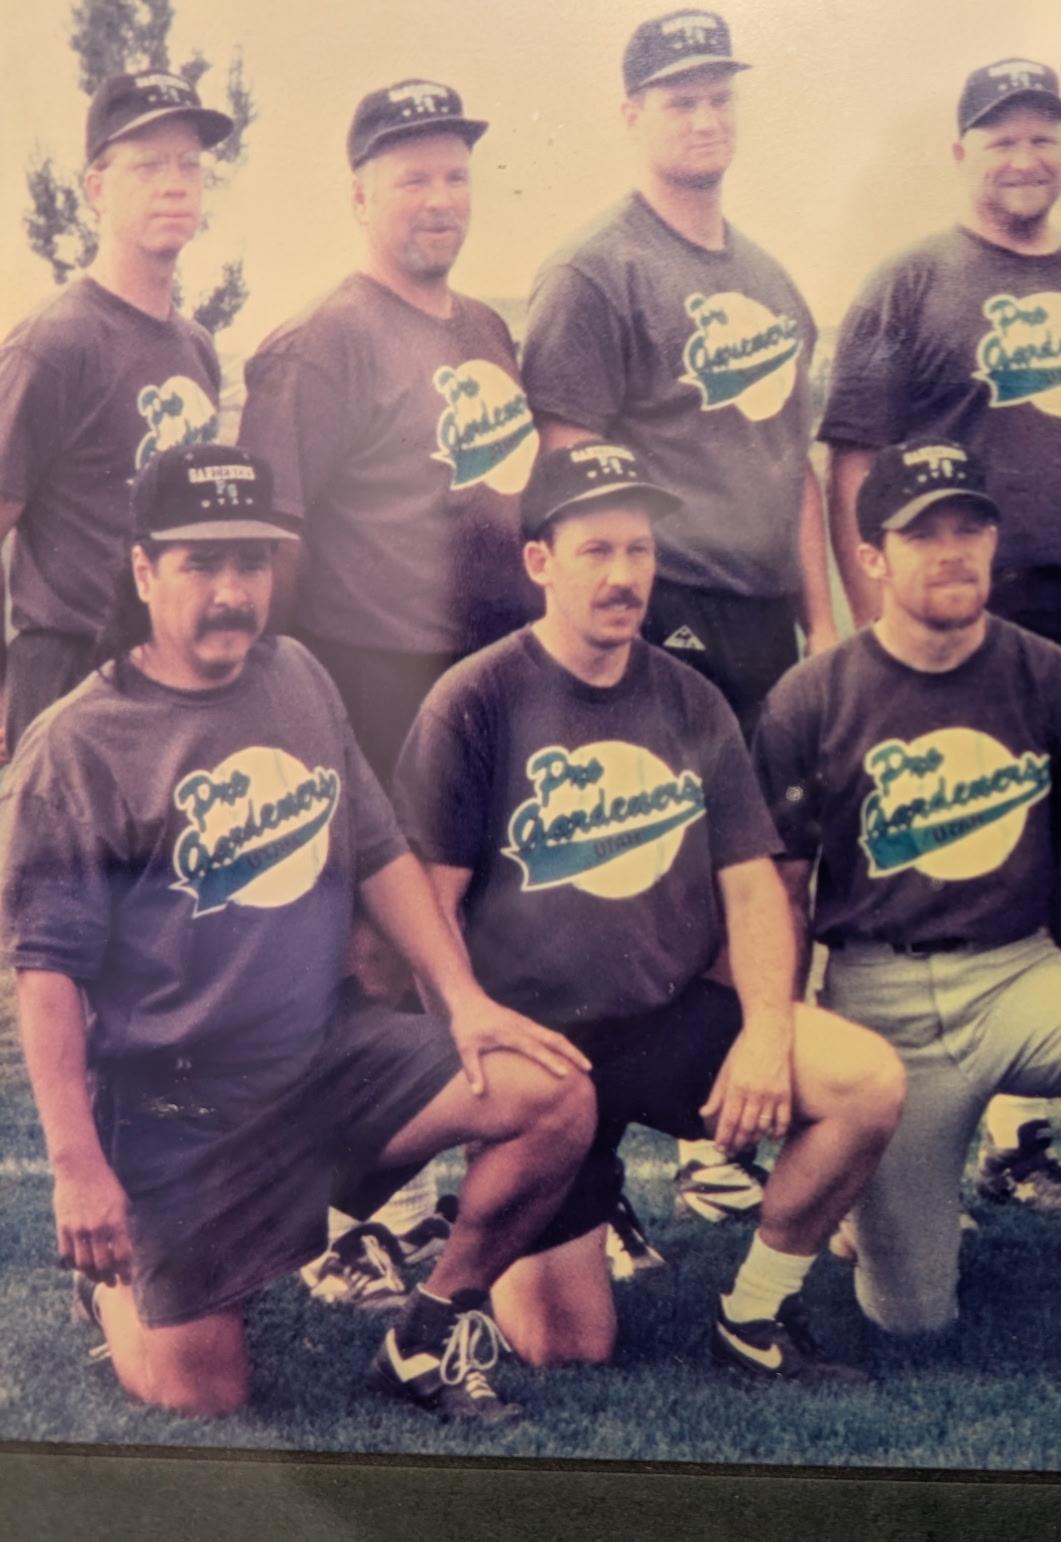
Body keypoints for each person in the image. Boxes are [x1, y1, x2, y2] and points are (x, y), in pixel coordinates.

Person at [0, 443, 596, 1424]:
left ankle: (429, 1333)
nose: (232, 591)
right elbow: (47, 974)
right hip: (174, 1111)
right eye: (201, 565)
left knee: (554, 1098)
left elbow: (377, 854)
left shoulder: (296, 678)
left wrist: (465, 1001)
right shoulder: (78, 744)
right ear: (145, 571)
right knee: (206, 1396)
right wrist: (78, 1166)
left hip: (325, 1062)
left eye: (251, 562)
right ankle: (116, 1285)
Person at [390, 442, 902, 1379]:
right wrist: (479, 1060)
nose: (625, 575)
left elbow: (751, 884)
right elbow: (427, 909)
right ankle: (545, 1191)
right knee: (566, 1350)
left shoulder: (688, 697)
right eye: (597, 552)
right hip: (542, 1052)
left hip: (666, 1022)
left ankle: (755, 1320)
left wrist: (764, 1028)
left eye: (640, 550)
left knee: (865, 1081)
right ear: (540, 561)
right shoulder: (477, 699)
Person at [751, 438, 1061, 1390]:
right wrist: (786, 1030)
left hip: (1018, 974)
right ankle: (864, 1206)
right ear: (873, 555)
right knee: (913, 1319)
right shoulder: (815, 693)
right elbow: (779, 888)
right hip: (878, 996)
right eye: (925, 534)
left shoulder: (1048, 676)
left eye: (971, 527)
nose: (954, 550)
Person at [820, 58, 1061, 1206]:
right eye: (1001, 137)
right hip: (940, 602)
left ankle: (1026, 1128)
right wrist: (863, 606)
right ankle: (872, 1099)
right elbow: (856, 461)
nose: (1024, 157)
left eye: (1044, 137)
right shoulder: (908, 283)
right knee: (932, 838)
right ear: (960, 150)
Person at [521, 11, 839, 1223]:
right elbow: (567, 456)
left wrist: (822, 624)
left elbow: (791, 465)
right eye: (678, 98)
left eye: (718, 96)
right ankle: (584, 1177)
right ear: (632, 116)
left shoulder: (768, 275)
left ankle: (721, 1128)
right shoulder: (597, 267)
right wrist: (616, 610)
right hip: (661, 605)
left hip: (764, 616)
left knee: (766, 868)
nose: (703, 117)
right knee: (630, 879)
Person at [237, 78, 540, 1310]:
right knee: (372, 945)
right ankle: (357, 1216)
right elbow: (276, 539)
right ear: (357, 191)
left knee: (479, 932)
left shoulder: (483, 328)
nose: (438, 197)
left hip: (482, 681)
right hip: (366, 673)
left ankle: (496, 1186)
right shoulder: (318, 339)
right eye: (410, 175)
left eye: (454, 174)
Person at [0, 72, 232, 755]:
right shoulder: (55, 343)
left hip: (168, 666)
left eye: (190, 165)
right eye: (148, 166)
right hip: (69, 672)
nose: (175, 183)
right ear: (97, 190)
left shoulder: (196, 350)